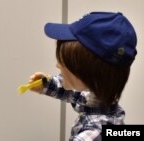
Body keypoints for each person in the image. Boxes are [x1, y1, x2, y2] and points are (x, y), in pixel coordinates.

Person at [28, 12, 137, 141]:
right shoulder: (102, 101)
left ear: (88, 73)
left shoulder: (94, 134)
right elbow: (77, 96)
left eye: (65, 61)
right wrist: (47, 84)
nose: (58, 65)